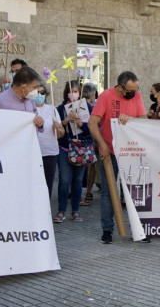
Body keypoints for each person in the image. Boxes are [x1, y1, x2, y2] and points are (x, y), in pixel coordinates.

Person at [88, 71, 148, 244]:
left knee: (136, 192)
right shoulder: (106, 96)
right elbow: (93, 123)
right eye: (130, 90)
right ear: (121, 88)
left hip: (131, 151)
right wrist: (102, 145)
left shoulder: (137, 97)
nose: (134, 93)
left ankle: (140, 229)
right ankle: (107, 230)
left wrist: (130, 119)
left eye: (136, 89)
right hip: (110, 153)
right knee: (108, 192)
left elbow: (144, 120)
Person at [55, 80, 91, 223]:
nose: (73, 93)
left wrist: (81, 124)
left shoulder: (87, 107)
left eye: (76, 91)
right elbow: (56, 127)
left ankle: (75, 210)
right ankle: (61, 210)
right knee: (64, 180)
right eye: (71, 91)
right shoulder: (60, 108)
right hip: (64, 147)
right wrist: (66, 120)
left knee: (77, 180)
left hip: (81, 147)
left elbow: (94, 127)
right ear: (66, 92)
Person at [34, 83, 64, 205]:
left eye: (42, 93)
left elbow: (61, 133)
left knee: (47, 185)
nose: (40, 95)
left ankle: (45, 213)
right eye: (37, 92)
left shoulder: (52, 110)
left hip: (49, 153)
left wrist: (58, 129)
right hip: (32, 153)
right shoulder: (26, 108)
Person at [0, 67, 45, 131]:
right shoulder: (0, 102)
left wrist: (40, 124)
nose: (36, 91)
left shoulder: (30, 99)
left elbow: (38, 128)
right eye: (34, 87)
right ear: (24, 87)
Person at [81, 82, 98, 206]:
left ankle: (83, 192)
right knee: (91, 166)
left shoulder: (77, 105)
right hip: (89, 141)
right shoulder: (91, 107)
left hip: (80, 142)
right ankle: (88, 191)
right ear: (92, 94)